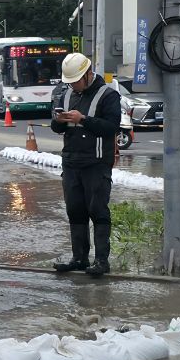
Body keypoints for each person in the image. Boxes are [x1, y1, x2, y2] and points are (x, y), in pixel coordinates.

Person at [49, 51, 124, 274]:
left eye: (76, 81)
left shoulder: (108, 95)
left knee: (98, 210)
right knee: (75, 210)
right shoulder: (66, 93)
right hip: (71, 162)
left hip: (97, 162)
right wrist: (60, 121)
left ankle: (102, 261)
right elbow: (55, 127)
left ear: (88, 74)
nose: (73, 86)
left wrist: (83, 119)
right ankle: (79, 258)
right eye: (69, 82)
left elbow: (112, 127)